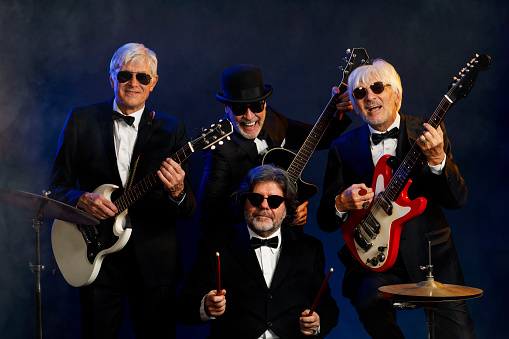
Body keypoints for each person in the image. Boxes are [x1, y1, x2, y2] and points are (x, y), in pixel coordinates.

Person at [316, 58, 476, 338]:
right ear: (353, 104)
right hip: (372, 263)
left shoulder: (428, 133)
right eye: (360, 93)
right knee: (369, 301)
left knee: (458, 334)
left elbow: (457, 200)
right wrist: (341, 203)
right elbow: (325, 220)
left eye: (378, 87)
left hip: (430, 257)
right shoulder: (342, 147)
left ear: (397, 94)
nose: (370, 97)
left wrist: (437, 159)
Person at [47, 43, 196, 338]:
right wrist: (81, 200)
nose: (133, 84)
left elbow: (188, 208)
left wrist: (178, 190)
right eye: (125, 75)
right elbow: (56, 189)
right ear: (112, 77)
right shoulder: (81, 119)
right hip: (95, 257)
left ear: (153, 83)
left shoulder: (172, 128)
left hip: (155, 265)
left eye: (142, 77)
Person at [177, 164, 339, 338]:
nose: (264, 206)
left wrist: (317, 322)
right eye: (255, 198)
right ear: (243, 202)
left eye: (274, 201)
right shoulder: (214, 245)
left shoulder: (310, 249)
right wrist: (205, 306)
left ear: (286, 210)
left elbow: (327, 308)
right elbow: (184, 308)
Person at [198, 64, 352, 235]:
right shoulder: (219, 151)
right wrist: (280, 213)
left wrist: (337, 110)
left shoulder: (271, 117)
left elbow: (318, 138)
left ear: (264, 103)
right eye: (240, 109)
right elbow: (208, 219)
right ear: (227, 107)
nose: (250, 116)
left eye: (256, 106)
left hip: (289, 239)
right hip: (246, 243)